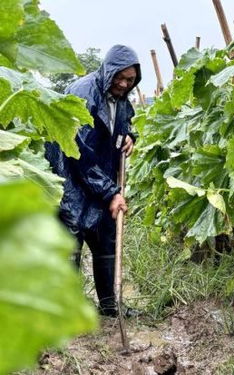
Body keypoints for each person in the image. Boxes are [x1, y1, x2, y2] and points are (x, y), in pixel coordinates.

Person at [45, 45, 141, 317]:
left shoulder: (120, 97)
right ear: (107, 71)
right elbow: (79, 154)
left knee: (104, 238)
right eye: (119, 78)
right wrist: (112, 192)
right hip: (71, 178)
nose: (123, 84)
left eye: (130, 80)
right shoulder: (84, 94)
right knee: (70, 240)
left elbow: (123, 125)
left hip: (100, 177)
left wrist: (130, 136)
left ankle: (110, 306)